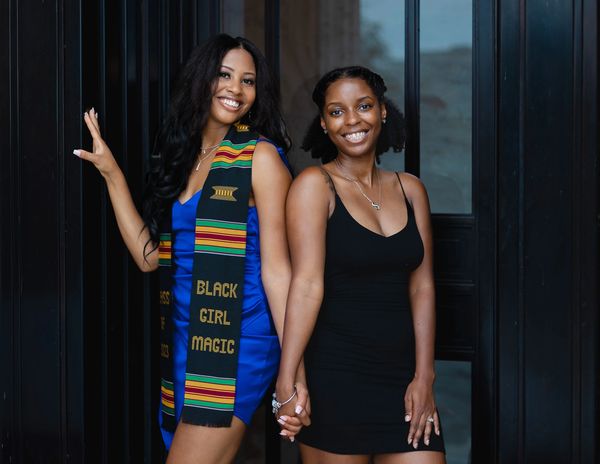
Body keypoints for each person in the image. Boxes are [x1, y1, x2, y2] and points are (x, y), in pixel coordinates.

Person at [74, 34, 307, 463]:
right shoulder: (184, 158)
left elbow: (280, 273)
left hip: (240, 339)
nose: (236, 89)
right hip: (183, 337)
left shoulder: (260, 158)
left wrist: (293, 376)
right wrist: (111, 174)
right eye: (224, 74)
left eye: (248, 80)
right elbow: (149, 259)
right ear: (201, 79)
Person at [274, 66, 446, 463]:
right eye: (337, 111)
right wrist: (287, 382)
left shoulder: (411, 189)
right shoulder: (314, 187)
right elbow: (306, 286)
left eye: (363, 106)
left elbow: (422, 287)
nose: (352, 120)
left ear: (382, 111)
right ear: (323, 123)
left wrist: (425, 376)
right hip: (335, 377)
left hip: (402, 381)